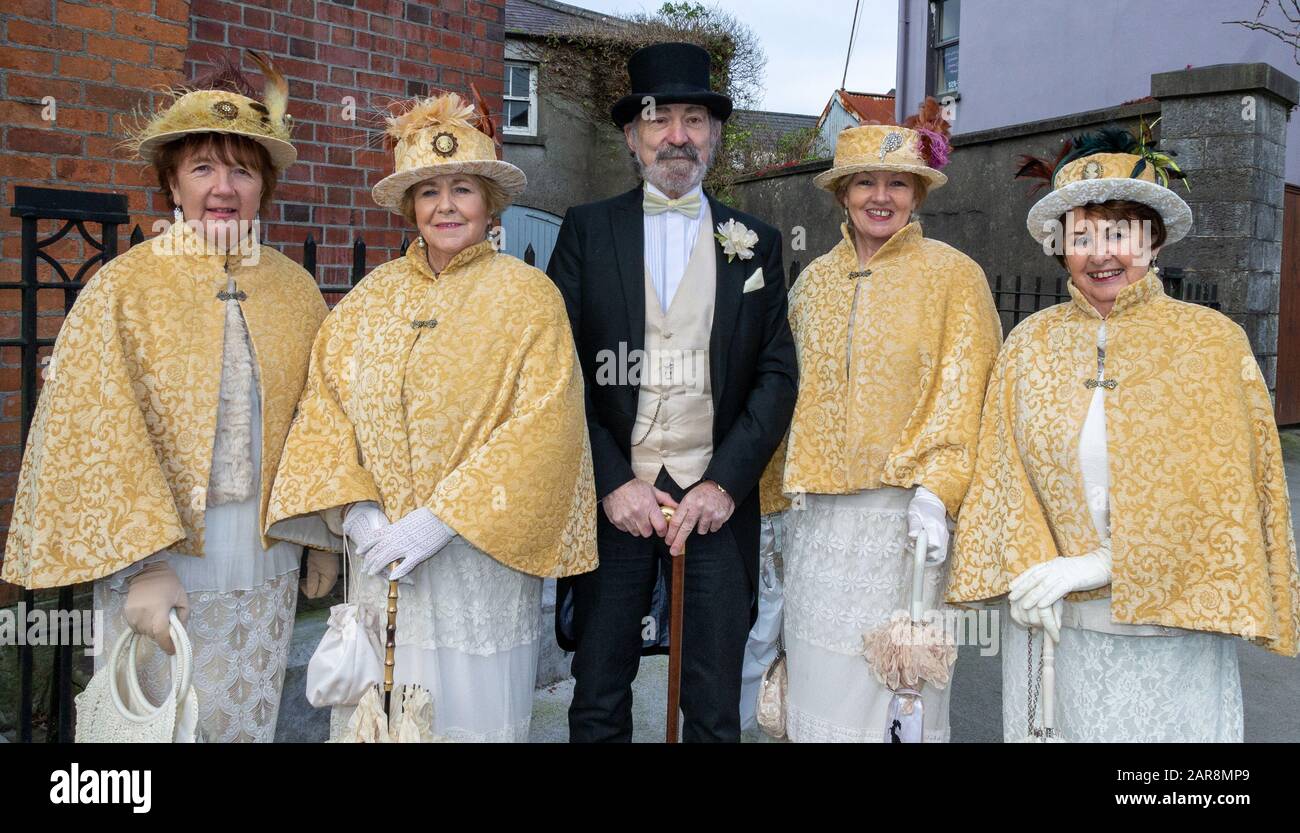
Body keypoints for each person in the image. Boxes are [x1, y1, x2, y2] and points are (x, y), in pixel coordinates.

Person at [1, 53, 335, 742]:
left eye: (242, 169)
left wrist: (324, 534)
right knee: (160, 730)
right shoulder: (125, 289)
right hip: (162, 563)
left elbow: (322, 417)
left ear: (264, 185)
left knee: (242, 722)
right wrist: (144, 567)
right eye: (203, 167)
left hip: (266, 558)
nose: (223, 187)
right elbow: (93, 433)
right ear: (172, 182)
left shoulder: (295, 290)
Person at [947, 128, 1299, 741]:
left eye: (1120, 234)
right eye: (1081, 236)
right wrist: (1031, 568)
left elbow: (1223, 494)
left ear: (1153, 241)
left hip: (1166, 632)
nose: (1102, 253)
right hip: (1053, 622)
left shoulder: (1210, 343)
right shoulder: (1028, 343)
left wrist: (1104, 564)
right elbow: (1003, 475)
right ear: (1061, 249)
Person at [267, 91, 597, 742]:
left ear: (489, 201)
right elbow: (323, 406)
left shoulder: (529, 299)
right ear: (410, 206)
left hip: (478, 564)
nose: (445, 205)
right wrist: (355, 514)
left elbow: (544, 424)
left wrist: (440, 521)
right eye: (428, 191)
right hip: (376, 561)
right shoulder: (368, 300)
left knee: (468, 723)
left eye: (463, 188)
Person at [549, 42, 797, 742]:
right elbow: (558, 371)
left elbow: (777, 375)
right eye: (660, 121)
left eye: (694, 119)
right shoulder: (587, 230)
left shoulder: (757, 241)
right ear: (633, 136)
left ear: (714, 136)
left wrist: (722, 484)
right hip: (616, 499)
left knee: (715, 706)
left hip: (712, 502)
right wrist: (610, 480)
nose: (677, 136)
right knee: (598, 695)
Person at [780, 104, 1002, 742]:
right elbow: (788, 392)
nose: (881, 197)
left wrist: (939, 491)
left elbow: (972, 385)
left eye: (897, 183)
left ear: (918, 193)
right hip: (819, 524)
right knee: (822, 680)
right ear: (843, 194)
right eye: (865, 182)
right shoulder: (813, 284)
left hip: (911, 522)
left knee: (901, 688)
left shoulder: (956, 276)